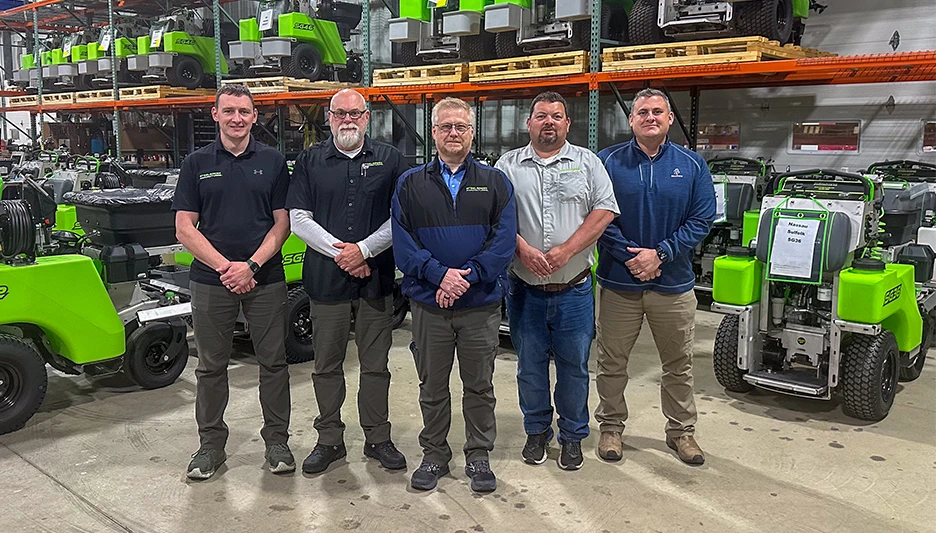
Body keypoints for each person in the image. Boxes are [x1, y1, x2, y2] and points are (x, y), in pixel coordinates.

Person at [391, 97, 517, 493]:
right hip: (430, 305)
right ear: (433, 132)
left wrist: (468, 277)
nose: (453, 133)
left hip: (479, 305)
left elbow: (503, 241)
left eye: (461, 126)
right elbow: (403, 243)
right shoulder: (410, 183)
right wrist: (439, 276)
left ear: (472, 133)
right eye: (446, 126)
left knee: (479, 386)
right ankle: (434, 455)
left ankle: (478, 455)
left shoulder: (495, 182)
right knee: (432, 386)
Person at [172, 84, 294, 480]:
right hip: (212, 281)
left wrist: (252, 266)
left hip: (266, 279)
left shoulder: (273, 161)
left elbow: (283, 223)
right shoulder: (196, 163)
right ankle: (210, 446)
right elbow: (184, 228)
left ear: (255, 116)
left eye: (244, 111)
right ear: (216, 114)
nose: (237, 118)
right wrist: (227, 267)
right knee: (211, 367)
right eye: (229, 111)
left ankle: (277, 442)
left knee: (273, 363)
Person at [287, 88, 409, 474]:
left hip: (376, 281)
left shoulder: (391, 160)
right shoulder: (309, 161)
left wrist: (365, 250)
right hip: (326, 282)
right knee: (326, 365)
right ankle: (329, 440)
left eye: (355, 113)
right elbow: (298, 219)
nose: (347, 120)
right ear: (329, 117)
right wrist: (345, 254)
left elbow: (400, 217)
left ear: (367, 117)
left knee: (376, 365)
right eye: (340, 113)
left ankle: (377, 438)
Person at [495, 92, 618, 471]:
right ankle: (536, 431)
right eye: (541, 116)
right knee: (529, 366)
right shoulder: (507, 166)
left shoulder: (588, 162)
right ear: (528, 123)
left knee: (574, 367)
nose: (549, 122)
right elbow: (495, 216)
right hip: (525, 290)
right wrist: (522, 250)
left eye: (556, 116)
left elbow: (604, 210)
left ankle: (573, 436)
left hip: (574, 289)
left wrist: (566, 250)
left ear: (567, 124)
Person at [595, 88, 716, 465]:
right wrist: (632, 256)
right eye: (643, 112)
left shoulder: (692, 164)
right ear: (631, 120)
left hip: (673, 285)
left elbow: (702, 219)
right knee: (611, 363)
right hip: (619, 283)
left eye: (657, 112)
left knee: (678, 364)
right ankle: (611, 426)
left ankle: (681, 431)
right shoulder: (606, 161)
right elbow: (596, 216)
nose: (650, 117)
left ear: (669, 119)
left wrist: (660, 253)